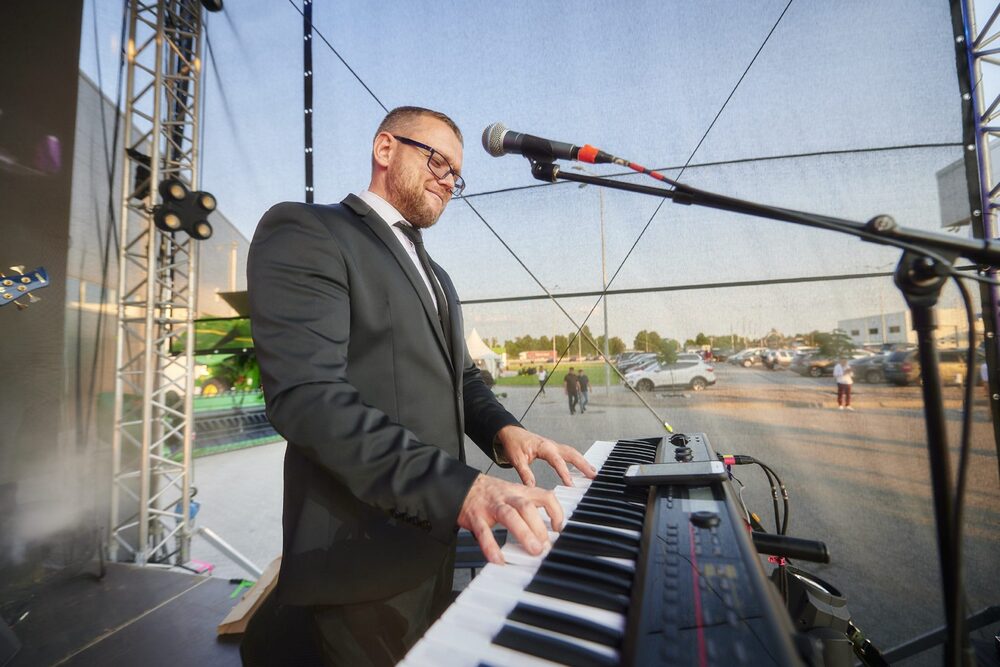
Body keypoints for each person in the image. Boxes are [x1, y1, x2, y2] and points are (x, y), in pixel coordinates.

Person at [242, 106, 596, 666]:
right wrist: (462, 490)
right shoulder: (307, 231)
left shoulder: (438, 276)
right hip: (358, 562)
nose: (449, 181)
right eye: (437, 162)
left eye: (457, 174)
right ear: (385, 149)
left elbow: (462, 378)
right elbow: (310, 398)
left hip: (432, 549)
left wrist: (505, 431)